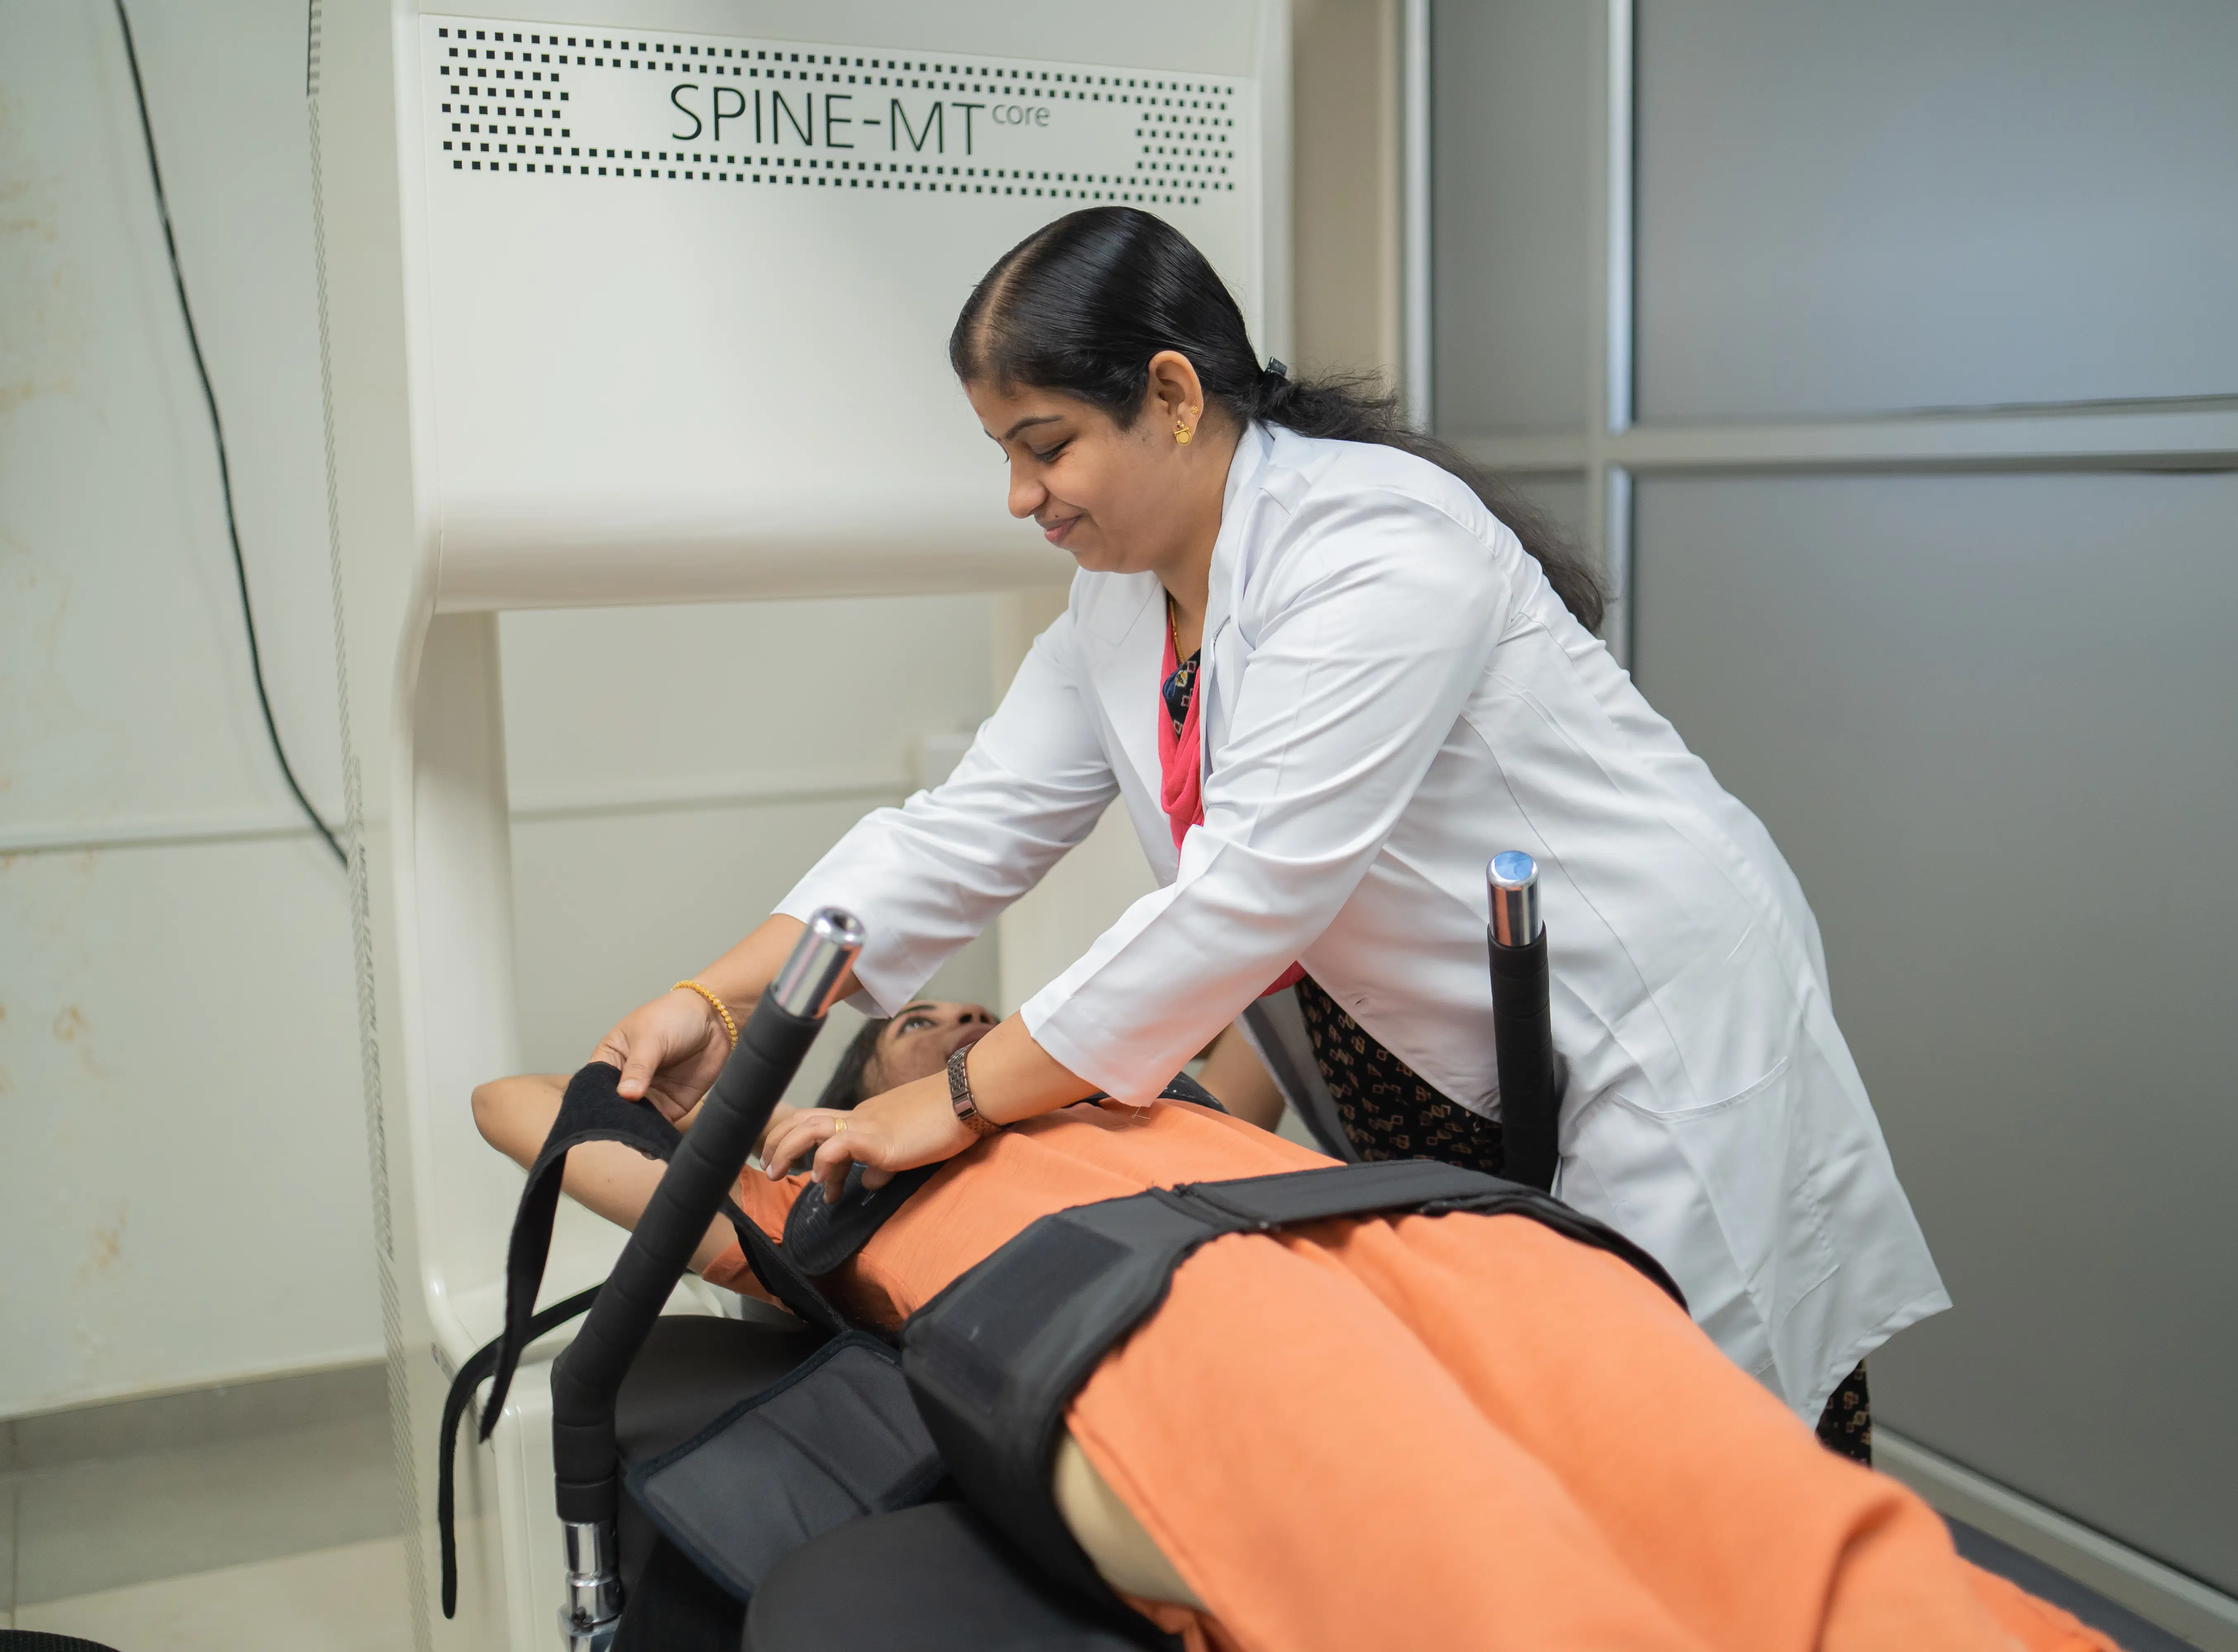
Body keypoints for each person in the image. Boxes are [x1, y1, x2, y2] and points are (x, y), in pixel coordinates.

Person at [586, 205, 1947, 1454]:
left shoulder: (1376, 546)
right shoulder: (1123, 602)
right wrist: (721, 998)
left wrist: (950, 1100)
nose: (1021, 496)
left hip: (1643, 1018)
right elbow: (962, 831)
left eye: (1047, 446)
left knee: (1692, 1439)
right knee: (1527, 1431)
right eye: (1004, 455)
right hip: (1442, 1044)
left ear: (1173, 396)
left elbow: (1250, 892)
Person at [469, 1043, 2110, 1652]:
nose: (959, 1031)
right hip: (1158, 1318)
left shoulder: (1154, 1083)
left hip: (1443, 1243)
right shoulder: (815, 1197)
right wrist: (735, 1084)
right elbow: (517, 1105)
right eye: (916, 1028)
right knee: (1489, 1574)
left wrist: (1066, 1050)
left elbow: (1228, 963)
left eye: (979, 1015)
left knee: (1759, 1502)